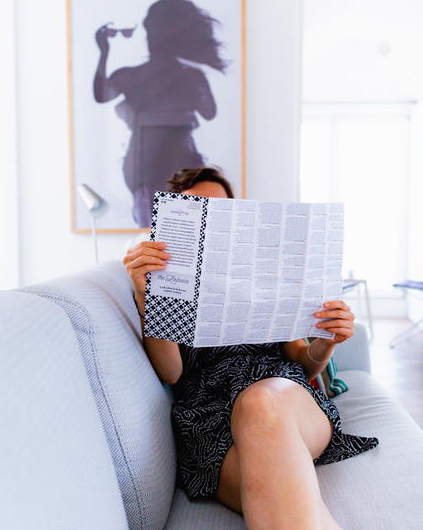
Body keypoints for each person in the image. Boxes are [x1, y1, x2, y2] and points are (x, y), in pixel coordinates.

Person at [123, 167, 378, 530]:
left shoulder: (263, 278)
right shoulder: (167, 282)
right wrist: (144, 293)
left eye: (223, 208)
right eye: (201, 208)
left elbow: (305, 366)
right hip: (210, 426)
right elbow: (172, 372)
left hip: (287, 401)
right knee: (286, 499)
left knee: (262, 401)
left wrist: (326, 341)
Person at [93, 0, 225, 227]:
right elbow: (102, 95)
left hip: (169, 166)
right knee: (162, 235)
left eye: (152, 33)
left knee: (175, 234)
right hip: (153, 166)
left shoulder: (142, 76)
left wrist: (104, 52)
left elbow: (102, 94)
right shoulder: (189, 77)